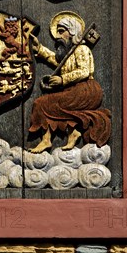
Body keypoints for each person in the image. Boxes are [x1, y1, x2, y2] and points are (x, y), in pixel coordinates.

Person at [28, 11, 111, 153]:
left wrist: (62, 79)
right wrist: (40, 49)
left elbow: (84, 71)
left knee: (42, 103)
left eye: (61, 32)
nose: (58, 37)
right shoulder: (69, 53)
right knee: (56, 104)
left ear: (72, 32)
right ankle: (72, 134)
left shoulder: (81, 49)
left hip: (86, 90)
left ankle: (46, 140)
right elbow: (57, 61)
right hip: (74, 90)